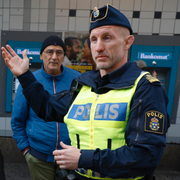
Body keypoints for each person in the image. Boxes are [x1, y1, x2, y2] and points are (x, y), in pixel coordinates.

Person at [2, 4, 169, 180]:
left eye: (107, 38)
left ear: (128, 42)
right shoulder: (84, 84)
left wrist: (83, 159)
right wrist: (24, 76)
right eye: (94, 39)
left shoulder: (145, 87)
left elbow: (145, 157)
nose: (98, 47)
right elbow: (47, 108)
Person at [10, 36, 81, 180]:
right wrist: (26, 150)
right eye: (49, 52)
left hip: (70, 157)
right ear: (41, 55)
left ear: (64, 56)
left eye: (59, 52)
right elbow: (17, 120)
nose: (54, 57)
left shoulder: (77, 79)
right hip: (39, 157)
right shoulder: (29, 81)